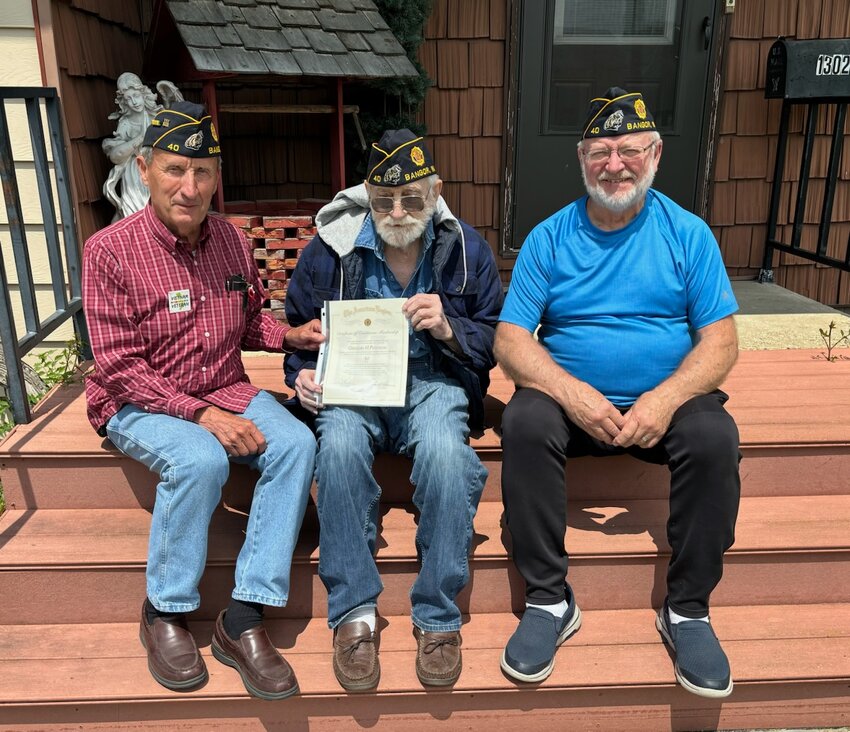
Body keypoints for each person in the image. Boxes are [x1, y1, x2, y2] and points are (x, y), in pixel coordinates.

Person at [495, 88, 741, 699]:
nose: (615, 164)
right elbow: (510, 340)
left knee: (714, 434)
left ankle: (687, 609)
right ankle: (549, 600)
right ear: (582, 160)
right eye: (601, 152)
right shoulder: (548, 238)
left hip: (667, 405)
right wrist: (570, 392)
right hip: (573, 408)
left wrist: (664, 399)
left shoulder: (688, 234)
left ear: (654, 155)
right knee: (524, 420)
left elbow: (721, 343)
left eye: (629, 150)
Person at [83, 101, 324, 699]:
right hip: (135, 401)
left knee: (296, 441)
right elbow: (116, 366)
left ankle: (241, 619)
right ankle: (165, 610)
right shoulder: (109, 252)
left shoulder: (232, 243)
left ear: (217, 176)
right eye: (174, 170)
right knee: (200, 459)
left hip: (223, 385)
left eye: (203, 172)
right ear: (144, 169)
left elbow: (249, 325)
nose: (189, 188)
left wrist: (288, 336)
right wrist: (202, 415)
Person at [284, 129, 503, 690]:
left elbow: (495, 335)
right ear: (367, 195)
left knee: (448, 460)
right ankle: (354, 610)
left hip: (433, 381)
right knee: (334, 449)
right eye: (384, 199)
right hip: (355, 389)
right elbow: (300, 332)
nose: (398, 210)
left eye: (411, 198)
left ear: (435, 192)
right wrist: (304, 376)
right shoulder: (330, 249)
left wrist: (451, 328)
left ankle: (437, 615)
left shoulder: (465, 249)